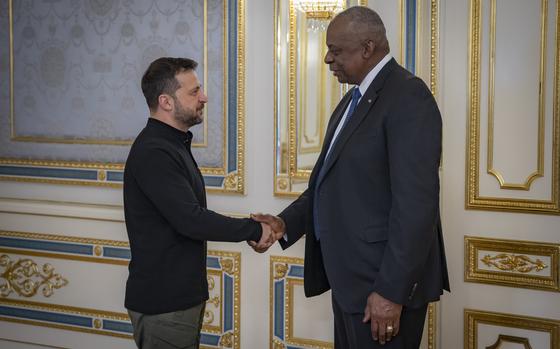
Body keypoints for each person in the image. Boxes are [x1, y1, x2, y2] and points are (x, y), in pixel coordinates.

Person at [252, 6, 449, 348]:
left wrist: (390, 291)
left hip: (382, 290)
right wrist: (285, 223)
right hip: (351, 285)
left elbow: (417, 207)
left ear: (368, 48)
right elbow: (326, 186)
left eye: (336, 50)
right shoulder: (349, 103)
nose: (328, 58)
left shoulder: (408, 97)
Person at [123, 57, 279, 349]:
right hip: (163, 305)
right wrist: (254, 230)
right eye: (194, 92)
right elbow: (190, 220)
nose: (204, 97)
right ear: (166, 102)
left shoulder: (171, 144)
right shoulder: (154, 151)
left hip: (177, 301)